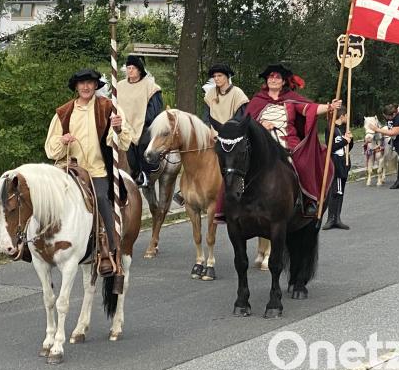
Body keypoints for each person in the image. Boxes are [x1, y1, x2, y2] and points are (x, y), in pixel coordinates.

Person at [45, 69, 134, 276]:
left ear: (96, 86)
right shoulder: (64, 112)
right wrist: (62, 141)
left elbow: (125, 142)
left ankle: (108, 250)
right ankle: (37, 243)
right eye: (81, 83)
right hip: (67, 168)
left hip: (96, 169)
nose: (85, 87)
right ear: (76, 87)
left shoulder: (108, 108)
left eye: (90, 83)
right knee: (44, 197)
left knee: (102, 197)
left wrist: (119, 129)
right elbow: (50, 149)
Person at [246, 64, 341, 216]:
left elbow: (310, 108)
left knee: (301, 163)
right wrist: (261, 124)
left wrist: (330, 106)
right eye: (271, 77)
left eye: (277, 77)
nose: (273, 80)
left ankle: (307, 199)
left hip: (287, 142)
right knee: (237, 163)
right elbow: (247, 121)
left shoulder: (291, 100)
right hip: (261, 143)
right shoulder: (257, 100)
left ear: (283, 82)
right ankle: (235, 201)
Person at [174, 63, 248, 206]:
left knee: (233, 158)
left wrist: (225, 132)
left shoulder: (238, 93)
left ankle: (238, 186)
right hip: (212, 134)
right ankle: (187, 190)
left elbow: (240, 117)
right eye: (214, 76)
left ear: (227, 77)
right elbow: (206, 116)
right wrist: (205, 131)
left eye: (219, 76)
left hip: (231, 136)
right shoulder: (211, 94)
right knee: (196, 155)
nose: (216, 79)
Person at [115, 55, 163, 188]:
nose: (130, 71)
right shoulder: (119, 86)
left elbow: (154, 108)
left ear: (140, 70)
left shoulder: (150, 86)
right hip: (123, 124)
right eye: (128, 68)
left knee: (143, 143)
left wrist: (144, 122)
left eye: (133, 68)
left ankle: (144, 174)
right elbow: (115, 105)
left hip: (144, 124)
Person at [323, 105, 353, 230]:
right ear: (342, 116)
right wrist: (345, 141)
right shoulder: (331, 129)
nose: (348, 118)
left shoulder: (343, 129)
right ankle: (331, 219)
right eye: (347, 115)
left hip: (344, 164)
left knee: (340, 192)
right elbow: (330, 148)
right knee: (335, 192)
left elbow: (347, 148)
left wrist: (350, 140)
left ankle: (337, 218)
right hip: (336, 164)